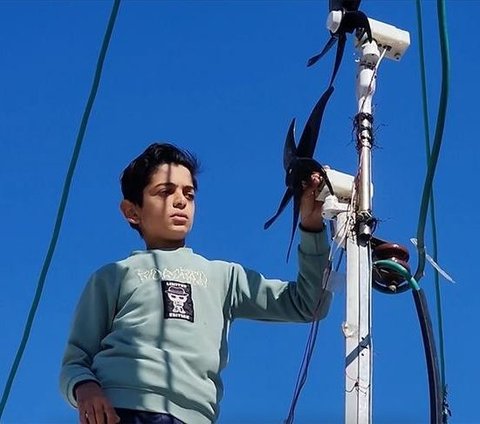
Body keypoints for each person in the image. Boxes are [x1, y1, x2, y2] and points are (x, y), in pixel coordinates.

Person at [60, 142, 333, 424]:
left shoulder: (224, 277)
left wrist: (312, 227)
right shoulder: (114, 275)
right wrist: (85, 388)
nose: (180, 201)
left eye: (188, 194)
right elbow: (76, 360)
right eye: (165, 192)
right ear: (132, 211)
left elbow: (307, 303)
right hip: (123, 409)